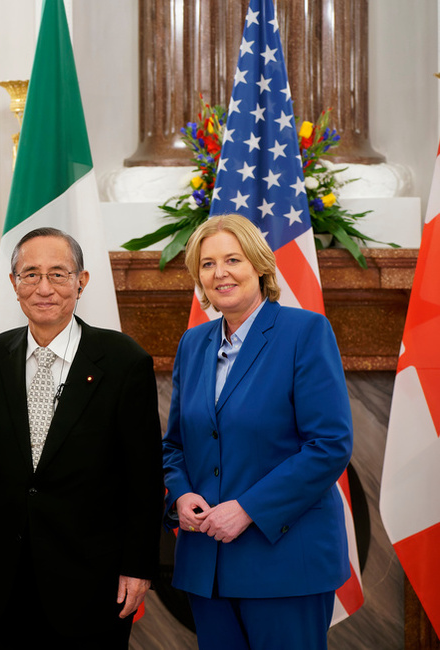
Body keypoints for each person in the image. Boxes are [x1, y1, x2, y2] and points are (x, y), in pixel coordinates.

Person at [0, 227, 164, 649]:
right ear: (13, 284)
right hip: (6, 579)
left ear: (81, 282)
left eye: (58, 273)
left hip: (93, 580)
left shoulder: (125, 361)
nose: (44, 287)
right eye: (30, 274)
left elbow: (144, 479)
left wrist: (138, 568)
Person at [162, 214, 353, 649]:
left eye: (233, 259)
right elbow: (175, 445)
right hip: (206, 566)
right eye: (207, 264)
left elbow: (330, 445)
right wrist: (181, 492)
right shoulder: (193, 344)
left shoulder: (304, 331)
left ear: (260, 266)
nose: (220, 273)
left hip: (285, 563)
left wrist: (248, 508)